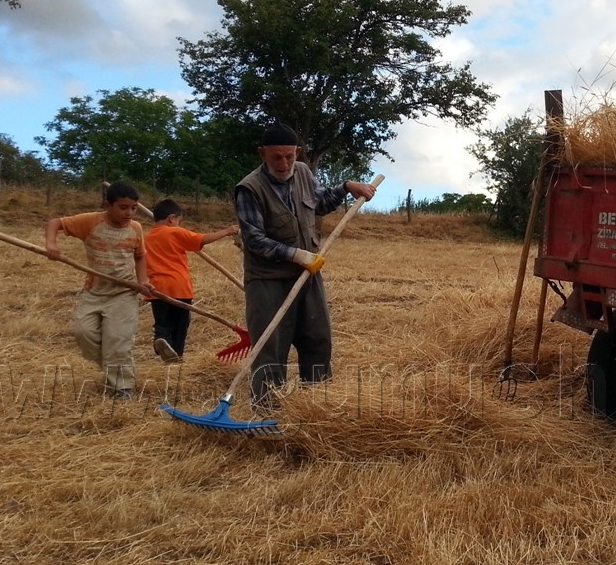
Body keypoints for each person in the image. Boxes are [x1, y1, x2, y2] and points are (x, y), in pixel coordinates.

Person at [235, 123, 377, 408]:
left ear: (297, 152)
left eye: (289, 156)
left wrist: (347, 187)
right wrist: (296, 255)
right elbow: (254, 240)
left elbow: (321, 203)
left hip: (308, 275)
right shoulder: (249, 189)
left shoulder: (302, 172)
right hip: (267, 280)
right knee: (270, 345)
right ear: (262, 153)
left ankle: (317, 403)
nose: (284, 163)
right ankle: (266, 408)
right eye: (277, 157)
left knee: (317, 339)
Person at [45, 181, 152, 400]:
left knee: (118, 341)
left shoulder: (136, 228)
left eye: (133, 208)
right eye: (123, 207)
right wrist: (51, 245)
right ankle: (112, 365)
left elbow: (140, 256)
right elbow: (55, 223)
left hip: (124, 293)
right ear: (107, 205)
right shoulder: (91, 222)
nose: (129, 213)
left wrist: (143, 280)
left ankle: (123, 388)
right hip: (94, 292)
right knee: (84, 334)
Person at [142, 199, 240, 362]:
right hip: (178, 287)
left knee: (163, 322)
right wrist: (227, 231)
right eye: (179, 221)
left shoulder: (146, 237)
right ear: (172, 218)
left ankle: (161, 338)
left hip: (156, 289)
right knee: (180, 325)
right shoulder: (174, 232)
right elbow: (202, 239)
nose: (179, 225)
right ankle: (176, 355)